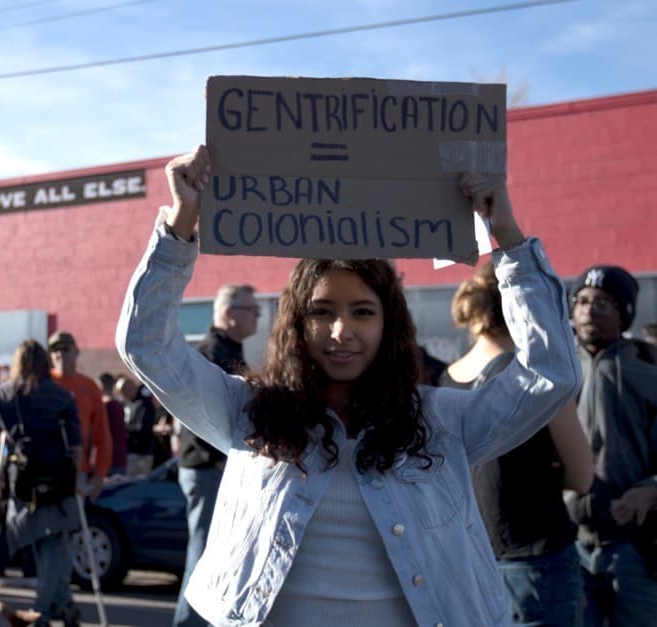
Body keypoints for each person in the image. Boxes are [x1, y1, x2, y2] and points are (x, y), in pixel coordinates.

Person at [116, 145, 581, 626]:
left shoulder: (444, 420)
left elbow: (552, 374)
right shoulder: (246, 412)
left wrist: (508, 239)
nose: (342, 332)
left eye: (362, 311)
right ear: (296, 323)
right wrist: (180, 224)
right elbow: (146, 346)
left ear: (389, 325)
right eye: (322, 312)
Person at [440, 260, 593, 625]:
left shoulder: (445, 380)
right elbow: (583, 476)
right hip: (538, 561)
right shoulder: (540, 382)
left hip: (470, 561)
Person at [564, 265, 657, 626]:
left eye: (603, 304)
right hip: (571, 547)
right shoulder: (557, 371)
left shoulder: (649, 371)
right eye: (582, 301)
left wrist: (651, 489)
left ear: (625, 314)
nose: (589, 311)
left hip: (637, 549)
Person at [173, 283, 258, 627]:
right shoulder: (212, 353)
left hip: (213, 466)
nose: (257, 316)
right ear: (228, 313)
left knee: (215, 556)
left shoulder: (227, 351)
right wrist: (222, 458)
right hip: (208, 468)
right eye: (251, 310)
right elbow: (196, 413)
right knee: (206, 558)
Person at [0, 339, 83, 627]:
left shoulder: (2, 394)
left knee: (44, 540)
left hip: (22, 480)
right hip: (57, 478)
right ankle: (49, 609)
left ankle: (59, 605)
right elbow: (75, 443)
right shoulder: (62, 396)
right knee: (53, 541)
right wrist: (77, 475)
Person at [48, 331, 112, 500]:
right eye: (55, 350)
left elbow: (102, 434)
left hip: (77, 471)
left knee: (74, 523)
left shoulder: (88, 387)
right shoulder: (44, 382)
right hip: (46, 468)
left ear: (76, 352)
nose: (60, 354)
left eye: (65, 349)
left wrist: (99, 474)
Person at [114, 376, 156, 476]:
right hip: (130, 451)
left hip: (141, 453)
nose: (122, 395)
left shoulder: (144, 404)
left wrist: (124, 430)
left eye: (123, 391)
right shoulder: (128, 403)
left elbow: (143, 427)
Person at [98, 372, 128, 477]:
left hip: (107, 459)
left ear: (101, 386)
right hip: (120, 457)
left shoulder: (104, 407)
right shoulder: (119, 406)